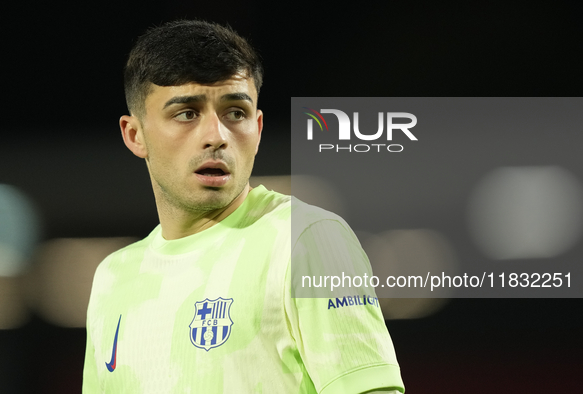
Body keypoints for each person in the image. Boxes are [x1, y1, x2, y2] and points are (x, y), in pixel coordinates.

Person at [83, 20, 405, 394]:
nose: (216, 136)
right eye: (187, 113)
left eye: (235, 112)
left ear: (258, 127)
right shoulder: (112, 279)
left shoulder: (305, 239)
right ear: (135, 135)